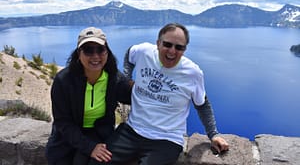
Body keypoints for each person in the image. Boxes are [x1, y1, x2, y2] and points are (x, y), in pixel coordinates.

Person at [89, 23, 229, 165]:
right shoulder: (143, 52)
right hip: (131, 130)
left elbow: (202, 104)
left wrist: (213, 134)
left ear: (184, 49)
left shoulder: (192, 73)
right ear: (158, 43)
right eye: (167, 45)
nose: (172, 51)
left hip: (166, 140)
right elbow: (130, 54)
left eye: (179, 47)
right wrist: (127, 79)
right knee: (96, 162)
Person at [45, 27, 132, 165]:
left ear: (107, 52)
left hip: (100, 134)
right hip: (67, 138)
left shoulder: (114, 79)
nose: (95, 56)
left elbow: (135, 97)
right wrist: (90, 147)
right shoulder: (64, 81)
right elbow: (63, 122)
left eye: (100, 50)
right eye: (88, 50)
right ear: (79, 54)